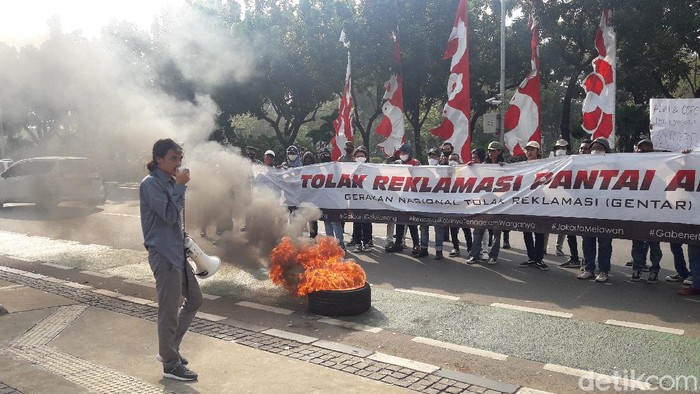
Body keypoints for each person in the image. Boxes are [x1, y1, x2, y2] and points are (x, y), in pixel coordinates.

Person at [140, 138, 202, 381]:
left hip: (176, 252)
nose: (178, 163)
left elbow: (175, 219)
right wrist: (180, 186)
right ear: (159, 159)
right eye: (173, 158)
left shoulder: (169, 182)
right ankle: (170, 364)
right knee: (169, 309)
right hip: (163, 255)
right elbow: (167, 214)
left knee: (195, 299)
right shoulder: (151, 184)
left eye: (180, 158)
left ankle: (169, 350)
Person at [578, 137, 614, 282]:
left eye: (600, 148)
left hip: (606, 212)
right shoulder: (583, 167)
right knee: (588, 241)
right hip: (588, 211)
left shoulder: (614, 166)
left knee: (604, 243)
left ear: (606, 150)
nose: (595, 151)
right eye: (593, 148)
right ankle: (589, 268)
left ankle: (603, 271)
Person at [629, 139, 662, 283]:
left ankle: (654, 270)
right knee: (637, 244)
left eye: (648, 150)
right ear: (637, 151)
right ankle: (637, 268)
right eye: (642, 150)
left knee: (654, 244)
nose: (645, 152)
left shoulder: (661, 168)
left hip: (655, 212)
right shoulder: (630, 166)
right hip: (637, 212)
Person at [518, 141, 549, 271]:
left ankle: (539, 258)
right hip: (525, 203)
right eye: (528, 150)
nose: (529, 152)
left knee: (539, 232)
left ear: (538, 151)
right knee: (527, 231)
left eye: (532, 149)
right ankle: (531, 257)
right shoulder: (521, 166)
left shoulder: (545, 165)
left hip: (539, 202)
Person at [386, 143, 421, 254]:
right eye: (401, 153)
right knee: (399, 221)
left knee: (412, 222)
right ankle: (398, 243)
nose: (402, 155)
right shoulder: (397, 163)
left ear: (410, 153)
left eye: (404, 153)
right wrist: (388, 163)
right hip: (399, 196)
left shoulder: (416, 163)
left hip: (411, 196)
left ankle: (416, 245)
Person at [351, 146, 373, 252]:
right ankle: (358, 243)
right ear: (354, 158)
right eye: (358, 156)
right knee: (357, 223)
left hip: (367, 200)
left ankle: (367, 242)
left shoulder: (371, 168)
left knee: (367, 222)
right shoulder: (350, 169)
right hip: (354, 200)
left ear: (366, 157)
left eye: (362, 156)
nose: (360, 158)